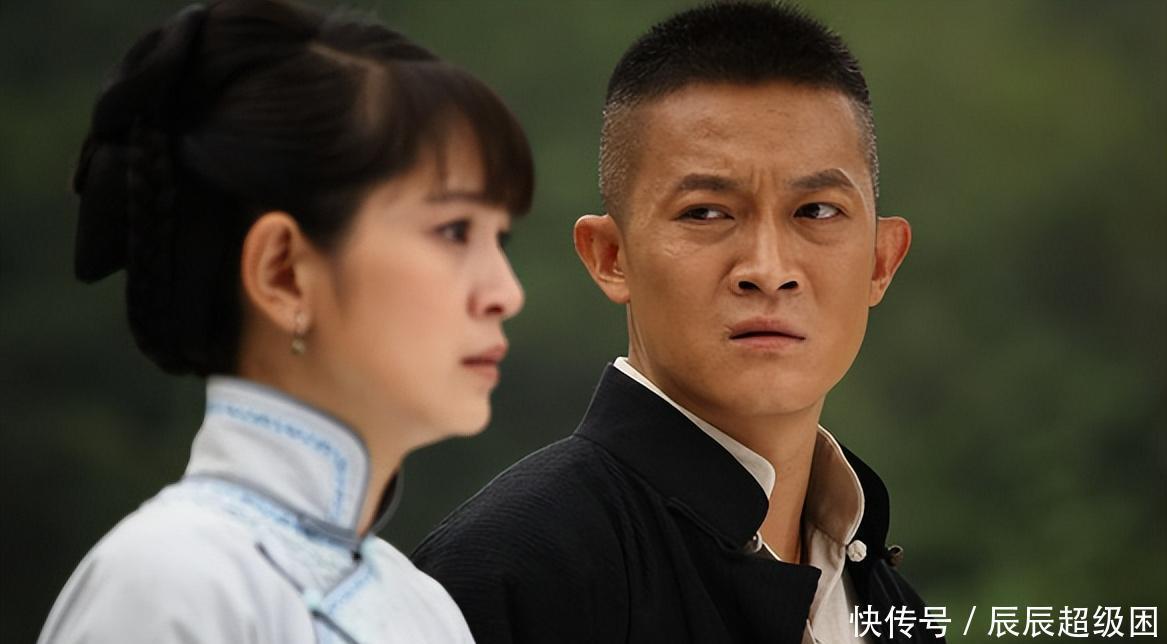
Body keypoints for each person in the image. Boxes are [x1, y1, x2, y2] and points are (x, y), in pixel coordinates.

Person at [413, 3, 939, 643]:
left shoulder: (892, 611)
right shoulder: (510, 575)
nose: (769, 270)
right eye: (706, 213)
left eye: (817, 211)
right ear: (610, 256)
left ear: (881, 261)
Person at [38, 0, 532, 642]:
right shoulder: (168, 585)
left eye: (501, 239)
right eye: (455, 230)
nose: (505, 293)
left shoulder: (427, 608)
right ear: (283, 273)